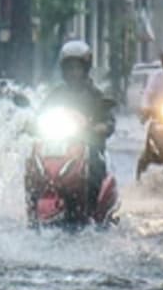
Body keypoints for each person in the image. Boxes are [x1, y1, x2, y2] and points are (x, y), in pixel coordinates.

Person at [39, 40, 115, 215]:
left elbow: (108, 119)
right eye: (69, 68)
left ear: (85, 69)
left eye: (77, 68)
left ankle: (91, 211)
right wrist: (30, 124)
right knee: (34, 163)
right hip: (57, 146)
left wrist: (102, 127)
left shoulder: (95, 94)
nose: (73, 72)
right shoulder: (56, 93)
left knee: (95, 169)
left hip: (88, 146)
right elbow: (41, 114)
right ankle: (33, 202)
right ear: (63, 70)